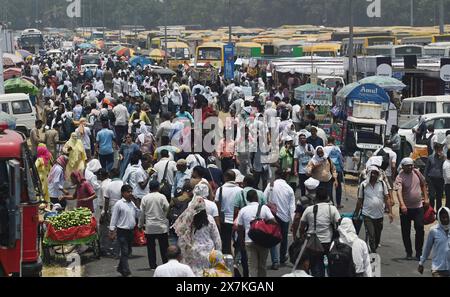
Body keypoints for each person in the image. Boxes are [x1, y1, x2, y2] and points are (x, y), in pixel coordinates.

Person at [173, 197, 222, 276]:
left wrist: (181, 253)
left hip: (192, 252)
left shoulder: (188, 219)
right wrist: (218, 252)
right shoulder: (209, 219)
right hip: (208, 252)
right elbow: (217, 238)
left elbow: (182, 237)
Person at [299, 187, 341, 277]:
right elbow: (339, 225)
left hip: (313, 244)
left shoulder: (309, 210)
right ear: (327, 198)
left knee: (316, 267)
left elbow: (301, 227)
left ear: (316, 198)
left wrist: (302, 237)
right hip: (328, 243)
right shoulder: (332, 209)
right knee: (331, 265)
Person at [395, 158, 430, 260]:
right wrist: (402, 205)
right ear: (403, 166)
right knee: (405, 231)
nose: (410, 167)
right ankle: (409, 252)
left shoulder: (417, 173)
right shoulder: (399, 177)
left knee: (420, 228)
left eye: (411, 165)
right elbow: (398, 191)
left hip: (418, 207)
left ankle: (419, 252)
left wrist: (426, 198)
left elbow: (423, 184)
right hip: (406, 208)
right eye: (408, 165)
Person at [237, 190, 276, 277]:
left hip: (249, 240)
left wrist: (241, 241)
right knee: (262, 266)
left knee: (252, 266)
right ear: (257, 198)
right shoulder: (264, 208)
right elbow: (274, 221)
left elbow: (239, 228)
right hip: (263, 241)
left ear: (247, 199)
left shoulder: (243, 210)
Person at [354, 166, 393, 253]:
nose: (374, 175)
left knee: (377, 235)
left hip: (379, 214)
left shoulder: (382, 184)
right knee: (371, 234)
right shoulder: (363, 185)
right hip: (367, 214)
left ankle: (373, 247)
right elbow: (359, 200)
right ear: (368, 174)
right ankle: (373, 252)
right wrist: (356, 213)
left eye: (376, 173)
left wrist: (390, 212)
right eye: (372, 173)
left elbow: (386, 198)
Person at [264, 169, 296, 270]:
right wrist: (293, 221)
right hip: (285, 217)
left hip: (272, 215)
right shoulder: (289, 189)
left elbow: (264, 198)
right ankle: (282, 257)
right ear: (286, 177)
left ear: (276, 175)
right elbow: (292, 207)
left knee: (272, 238)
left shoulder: (270, 185)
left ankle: (275, 261)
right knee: (284, 238)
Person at [109, 185, 141, 277]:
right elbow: (114, 217)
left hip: (131, 231)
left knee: (128, 251)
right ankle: (126, 272)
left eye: (131, 191)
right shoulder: (119, 204)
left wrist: (137, 204)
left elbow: (138, 214)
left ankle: (120, 268)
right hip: (122, 231)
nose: (130, 193)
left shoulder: (132, 203)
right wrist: (112, 230)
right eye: (128, 192)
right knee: (125, 251)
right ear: (123, 193)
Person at [139, 180, 170, 270]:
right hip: (161, 226)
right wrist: (164, 216)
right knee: (164, 247)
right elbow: (167, 208)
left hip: (150, 226)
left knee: (151, 248)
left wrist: (140, 225)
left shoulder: (145, 198)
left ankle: (153, 265)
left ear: (149, 188)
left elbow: (142, 213)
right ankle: (165, 263)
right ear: (158, 188)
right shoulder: (162, 197)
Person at [215, 170, 242, 255]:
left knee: (226, 242)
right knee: (238, 240)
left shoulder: (220, 189)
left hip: (224, 220)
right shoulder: (240, 190)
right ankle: (236, 257)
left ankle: (228, 258)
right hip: (237, 220)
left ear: (225, 178)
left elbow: (217, 203)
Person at [418, 207, 450, 277]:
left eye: (446, 217)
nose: (445, 220)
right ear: (439, 218)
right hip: (438, 268)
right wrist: (421, 263)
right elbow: (427, 248)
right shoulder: (434, 230)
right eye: (442, 217)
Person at [324, 137, 345, 209]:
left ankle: (331, 203)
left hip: (329, 170)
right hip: (338, 169)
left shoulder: (325, 149)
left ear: (327, 141)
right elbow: (341, 159)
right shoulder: (337, 148)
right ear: (334, 141)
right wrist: (342, 168)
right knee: (338, 187)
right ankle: (338, 204)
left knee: (329, 187)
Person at [425, 143, 446, 212]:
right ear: (435, 149)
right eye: (438, 150)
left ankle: (438, 212)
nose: (439, 151)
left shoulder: (444, 158)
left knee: (439, 197)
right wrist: (426, 179)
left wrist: (444, 159)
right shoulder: (430, 157)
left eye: (441, 149)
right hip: (431, 179)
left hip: (440, 179)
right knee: (432, 196)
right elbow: (426, 169)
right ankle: (431, 212)